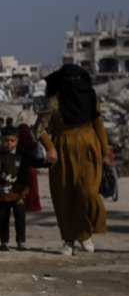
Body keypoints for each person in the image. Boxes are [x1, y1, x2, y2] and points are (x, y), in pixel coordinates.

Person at [35, 64, 110, 255]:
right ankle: (69, 240)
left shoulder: (90, 98)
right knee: (65, 196)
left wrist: (105, 151)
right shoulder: (54, 101)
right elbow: (39, 129)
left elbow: (97, 123)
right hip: (62, 149)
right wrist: (50, 148)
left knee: (88, 193)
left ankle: (86, 232)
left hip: (89, 148)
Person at [0, 126, 46, 251]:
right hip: (2, 194)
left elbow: (36, 162)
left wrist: (48, 162)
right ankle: (4, 242)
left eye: (12, 141)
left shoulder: (22, 154)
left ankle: (21, 242)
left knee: (20, 218)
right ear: (1, 140)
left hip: (19, 193)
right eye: (6, 140)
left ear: (17, 141)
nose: (9, 143)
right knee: (3, 219)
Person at [16, 123, 43, 212]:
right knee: (32, 188)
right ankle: (32, 205)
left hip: (20, 168)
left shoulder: (17, 143)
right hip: (31, 168)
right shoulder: (32, 143)